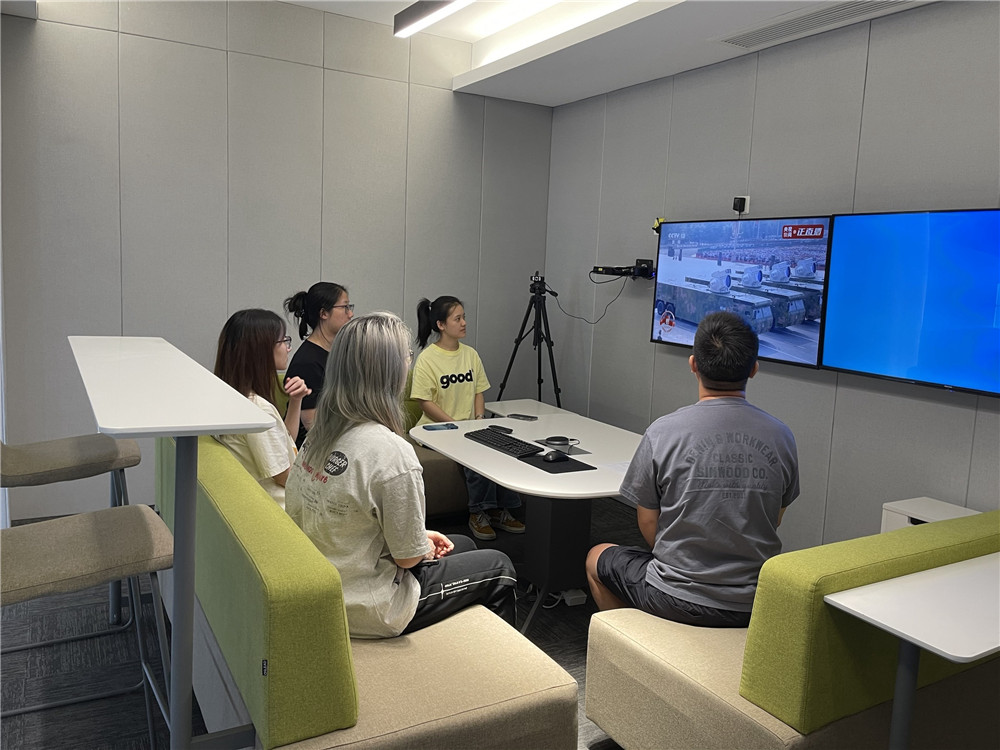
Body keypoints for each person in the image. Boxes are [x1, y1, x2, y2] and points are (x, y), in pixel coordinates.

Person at [285, 312, 517, 638]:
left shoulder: (318, 433)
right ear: (392, 371)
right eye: (407, 356)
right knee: (499, 565)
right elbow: (407, 559)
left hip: (325, 580)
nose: (410, 362)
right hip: (367, 606)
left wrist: (420, 539)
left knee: (462, 543)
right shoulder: (391, 452)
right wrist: (418, 545)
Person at [585, 311, 799, 627]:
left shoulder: (663, 432)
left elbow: (647, 521)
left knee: (596, 557)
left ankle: (637, 643)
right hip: (755, 601)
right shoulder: (782, 436)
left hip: (675, 597)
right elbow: (773, 518)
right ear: (754, 369)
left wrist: (681, 562)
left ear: (693, 364)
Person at [411, 296, 525, 542]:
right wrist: (454, 424)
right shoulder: (427, 359)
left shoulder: (470, 354)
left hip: (468, 426)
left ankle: (500, 510)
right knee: (475, 456)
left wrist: (479, 419)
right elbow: (424, 401)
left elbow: (478, 392)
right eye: (457, 319)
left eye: (464, 317)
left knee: (501, 449)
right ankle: (478, 512)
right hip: (436, 429)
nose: (464, 323)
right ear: (441, 325)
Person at [213, 309, 311, 510]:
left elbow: (285, 441)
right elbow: (284, 477)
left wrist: (295, 400)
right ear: (262, 349)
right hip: (284, 510)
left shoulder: (233, 397)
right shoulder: (257, 409)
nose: (288, 348)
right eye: (283, 341)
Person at [283, 282, 353, 447]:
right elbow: (313, 427)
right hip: (313, 449)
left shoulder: (336, 352)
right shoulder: (307, 362)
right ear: (323, 313)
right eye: (345, 307)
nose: (350, 314)